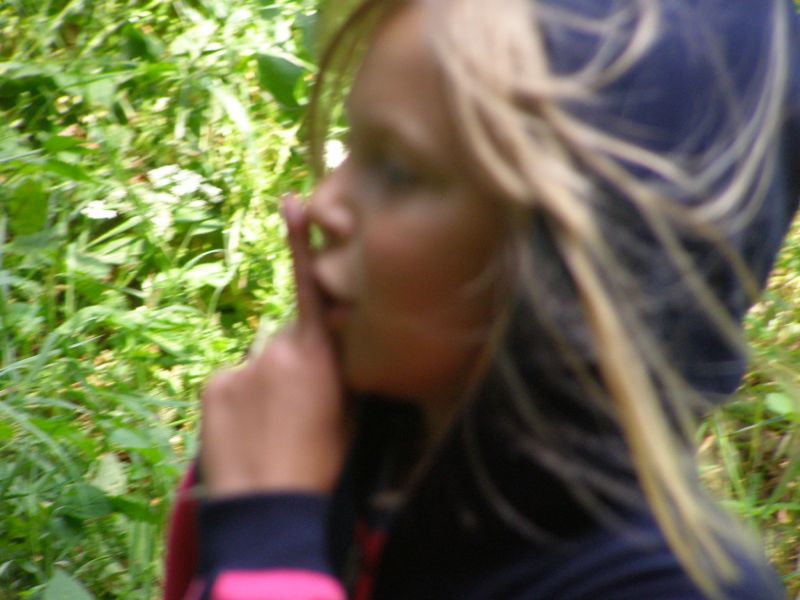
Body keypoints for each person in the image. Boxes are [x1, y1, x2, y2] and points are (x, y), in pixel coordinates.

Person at [163, 0, 800, 598]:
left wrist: (268, 541)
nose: (324, 203)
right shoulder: (338, 453)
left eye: (398, 169)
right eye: (351, 149)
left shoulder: (670, 586)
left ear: (576, 259)